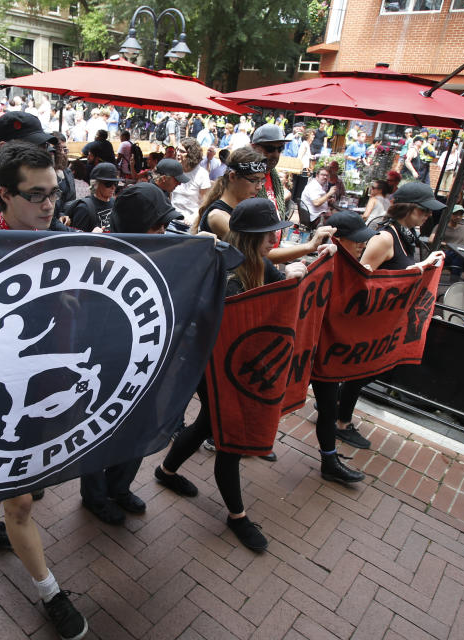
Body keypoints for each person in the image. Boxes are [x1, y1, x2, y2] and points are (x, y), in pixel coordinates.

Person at [0, 142, 89, 640]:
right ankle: (50, 592)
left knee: (15, 479)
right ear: (4, 195)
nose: (48, 204)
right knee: (21, 501)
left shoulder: (59, 238)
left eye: (54, 193)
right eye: (36, 194)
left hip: (46, 383)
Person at [157, 198, 314, 552]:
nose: (275, 239)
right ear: (253, 237)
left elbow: (280, 284)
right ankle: (237, 516)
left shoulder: (256, 262)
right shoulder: (227, 273)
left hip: (235, 364)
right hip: (211, 366)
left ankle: (166, 472)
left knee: (208, 425)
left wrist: (298, 273)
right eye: (269, 234)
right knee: (228, 436)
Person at [78, 182, 183, 526]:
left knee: (141, 424)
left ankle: (119, 487)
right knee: (98, 429)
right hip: (103, 363)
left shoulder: (161, 251)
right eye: (157, 224)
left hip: (145, 361)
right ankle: (94, 495)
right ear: (138, 226)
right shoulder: (97, 254)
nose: (164, 231)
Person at [342, 183, 445, 447]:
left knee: (379, 367)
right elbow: (360, 277)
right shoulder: (385, 237)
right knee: (365, 368)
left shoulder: (406, 234)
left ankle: (334, 402)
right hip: (371, 320)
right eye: (423, 210)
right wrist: (418, 268)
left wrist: (422, 266)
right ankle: (340, 420)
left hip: (388, 321)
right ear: (407, 208)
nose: (427, 216)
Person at [309, 211, 374, 483]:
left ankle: (329, 460)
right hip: (307, 350)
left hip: (327, 354)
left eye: (363, 240)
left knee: (328, 408)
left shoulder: (352, 269)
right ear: (336, 239)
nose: (362, 245)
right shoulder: (322, 265)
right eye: (356, 240)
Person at [0, 112, 58, 228]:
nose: (48, 206)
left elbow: (55, 225)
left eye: (44, 146)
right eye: (36, 194)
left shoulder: (45, 198)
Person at [192, 147, 267, 237]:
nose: (259, 187)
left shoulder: (238, 212)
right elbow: (254, 249)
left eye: (262, 180)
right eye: (253, 180)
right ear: (232, 177)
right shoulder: (218, 216)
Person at [171, 138, 212, 224]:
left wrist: (193, 218)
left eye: (182, 151)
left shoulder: (202, 174)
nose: (178, 153)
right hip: (172, 219)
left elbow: (204, 203)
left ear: (191, 154)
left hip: (189, 223)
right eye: (177, 150)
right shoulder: (174, 170)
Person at [431, 204, 464, 281]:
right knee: (456, 255)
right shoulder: (441, 226)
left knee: (458, 255)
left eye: (460, 215)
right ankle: (454, 281)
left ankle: (454, 280)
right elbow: (431, 239)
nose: (458, 216)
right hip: (445, 254)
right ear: (450, 215)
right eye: (455, 214)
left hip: (461, 255)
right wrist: (446, 244)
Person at [66, 162, 116, 232]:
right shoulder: (84, 208)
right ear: (96, 184)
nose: (113, 187)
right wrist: (92, 236)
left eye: (115, 183)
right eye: (109, 184)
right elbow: (77, 240)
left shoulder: (115, 203)